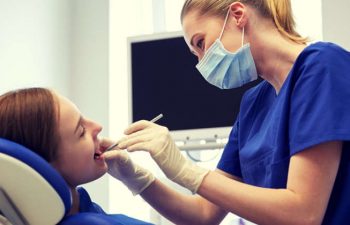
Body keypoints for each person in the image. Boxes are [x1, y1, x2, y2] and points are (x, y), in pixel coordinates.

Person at [105, 0, 350, 225]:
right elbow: (204, 214)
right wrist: (137, 179)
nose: (201, 63)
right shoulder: (253, 104)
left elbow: (303, 215)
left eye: (200, 43)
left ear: (238, 14)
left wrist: (185, 170)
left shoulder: (321, 66)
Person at [0, 88, 154, 225]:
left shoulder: (84, 207)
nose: (98, 126)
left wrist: (142, 183)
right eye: (81, 131)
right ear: (42, 169)